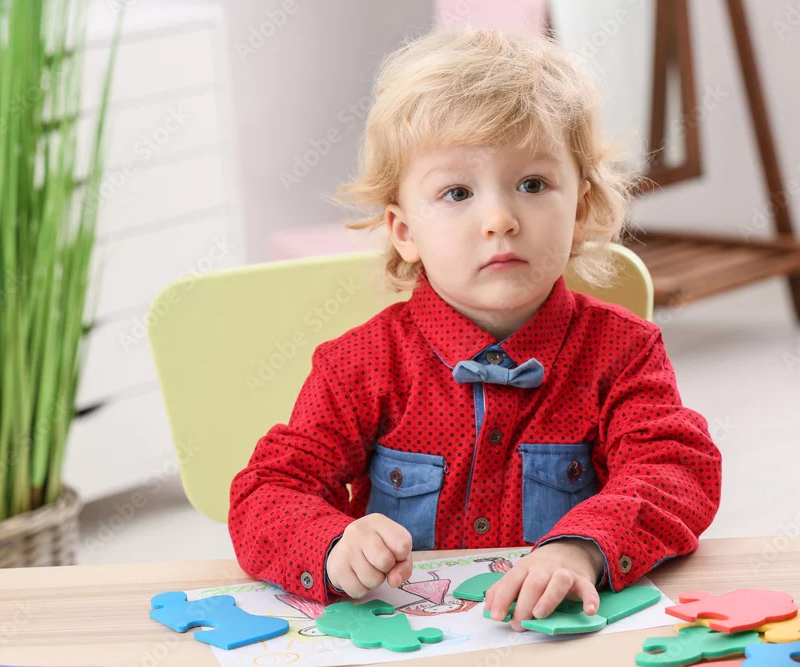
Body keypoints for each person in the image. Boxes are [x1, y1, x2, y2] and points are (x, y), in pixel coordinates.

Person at [229, 26, 722, 632]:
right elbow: (267, 492)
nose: (499, 219)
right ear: (404, 231)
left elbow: (676, 470)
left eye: (532, 185)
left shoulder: (624, 350)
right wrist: (333, 545)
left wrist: (583, 547)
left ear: (580, 211)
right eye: (457, 192)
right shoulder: (360, 364)